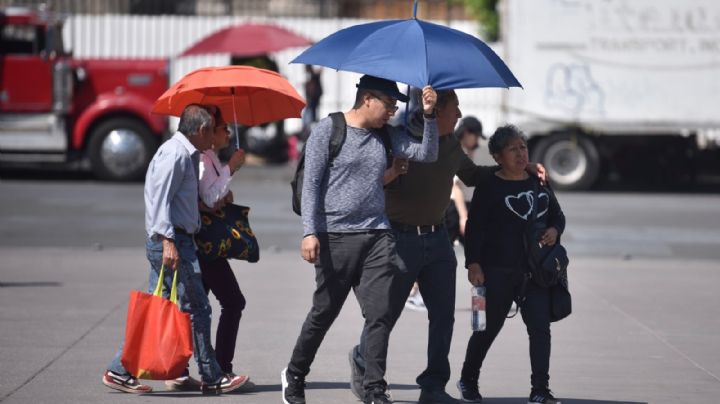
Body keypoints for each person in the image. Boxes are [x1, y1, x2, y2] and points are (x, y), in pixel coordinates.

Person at [350, 92, 545, 404]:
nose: (460, 114)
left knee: (443, 316)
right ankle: (368, 371)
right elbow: (368, 182)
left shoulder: (452, 143)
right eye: (454, 108)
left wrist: (520, 167)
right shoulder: (398, 139)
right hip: (400, 240)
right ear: (435, 109)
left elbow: (473, 175)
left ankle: (433, 386)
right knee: (385, 315)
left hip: (439, 241)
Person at [281, 75, 439, 404]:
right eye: (388, 105)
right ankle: (295, 374)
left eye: (396, 106)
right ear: (367, 98)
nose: (392, 112)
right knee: (324, 312)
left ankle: (374, 389)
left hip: (378, 234)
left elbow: (427, 153)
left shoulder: (386, 134)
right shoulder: (328, 130)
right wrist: (310, 231)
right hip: (335, 235)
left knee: (380, 313)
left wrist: (429, 114)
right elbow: (310, 186)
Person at [101, 104, 248, 395]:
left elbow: (183, 199)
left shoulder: (187, 155)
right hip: (172, 241)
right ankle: (212, 376)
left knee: (173, 308)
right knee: (198, 309)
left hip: (179, 240)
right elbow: (159, 200)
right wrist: (168, 241)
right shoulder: (176, 154)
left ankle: (121, 369)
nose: (211, 142)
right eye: (211, 132)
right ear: (202, 130)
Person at [457, 125, 565, 404]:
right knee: (485, 329)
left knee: (540, 329)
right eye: (513, 149)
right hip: (496, 271)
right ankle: (468, 379)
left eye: (523, 147)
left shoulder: (538, 180)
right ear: (497, 157)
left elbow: (557, 215)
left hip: (535, 271)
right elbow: (475, 227)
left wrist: (554, 230)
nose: (520, 153)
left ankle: (540, 389)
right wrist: (474, 264)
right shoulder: (490, 185)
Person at [164, 111, 251, 391]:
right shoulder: (201, 159)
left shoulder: (210, 158)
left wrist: (224, 191)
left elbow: (211, 196)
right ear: (209, 132)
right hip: (203, 244)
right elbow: (208, 198)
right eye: (222, 129)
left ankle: (179, 369)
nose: (226, 134)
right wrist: (232, 169)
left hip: (205, 241)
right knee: (232, 302)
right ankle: (219, 369)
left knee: (193, 308)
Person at [445, 116, 485, 246]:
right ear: (467, 133)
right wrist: (464, 217)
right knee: (448, 249)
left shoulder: (461, 149)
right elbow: (456, 187)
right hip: (455, 207)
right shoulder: (458, 151)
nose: (477, 141)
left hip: (463, 206)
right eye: (476, 136)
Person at [302, 64, 323, 135]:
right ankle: (309, 128)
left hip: (313, 98)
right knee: (311, 113)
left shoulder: (313, 75)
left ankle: (310, 128)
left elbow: (312, 89)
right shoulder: (312, 75)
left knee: (311, 113)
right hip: (312, 98)